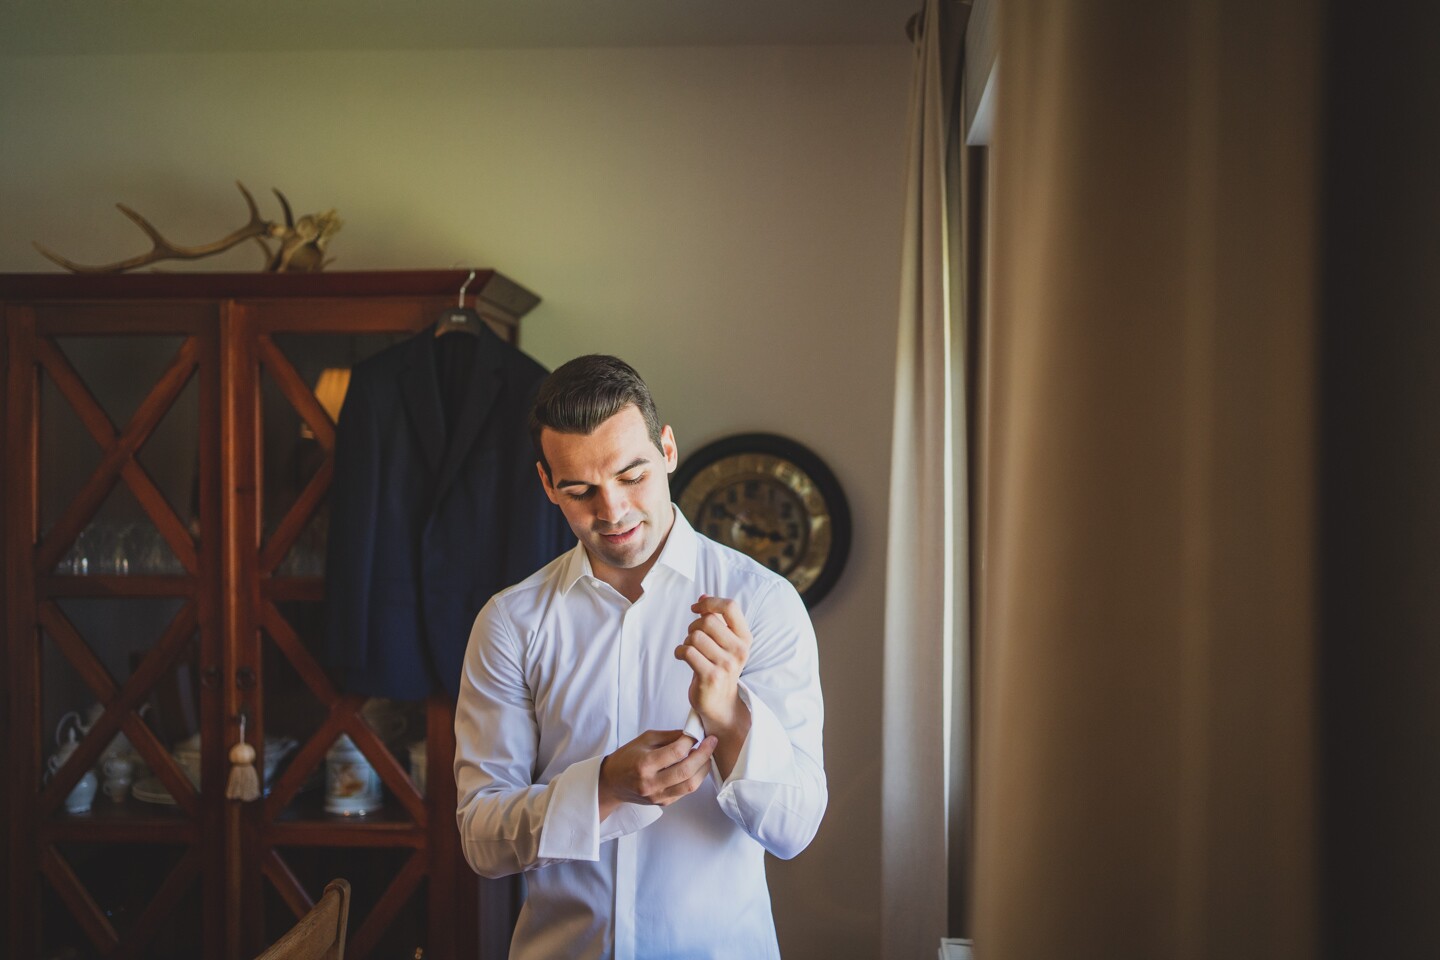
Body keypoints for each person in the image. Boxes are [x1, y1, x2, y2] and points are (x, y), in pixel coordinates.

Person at [454, 354, 827, 960]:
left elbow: (793, 830)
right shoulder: (509, 623)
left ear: (668, 450)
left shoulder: (763, 603)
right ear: (548, 485)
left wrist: (730, 716)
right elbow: (482, 839)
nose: (613, 511)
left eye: (633, 476)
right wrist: (601, 788)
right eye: (580, 491)